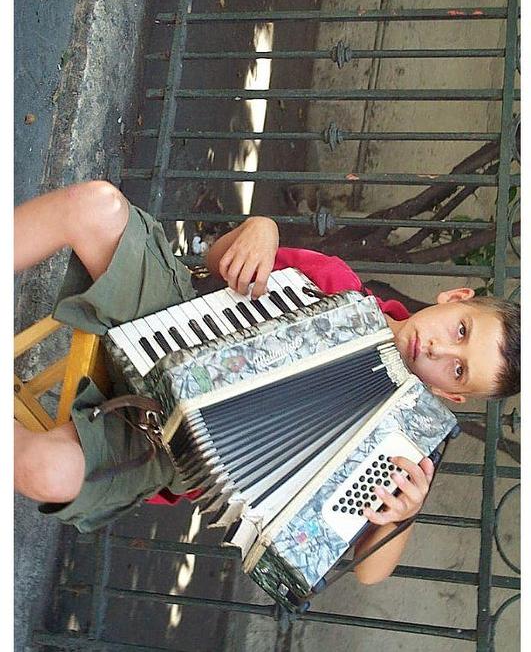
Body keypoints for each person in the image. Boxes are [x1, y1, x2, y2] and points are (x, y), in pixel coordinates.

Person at [14, 181, 520, 585]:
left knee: (44, 470)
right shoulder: (335, 284)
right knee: (96, 205)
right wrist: (260, 228)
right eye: (460, 331)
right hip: (170, 324)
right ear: (455, 298)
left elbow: (370, 573)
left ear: (453, 395)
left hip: (158, 442)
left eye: (458, 370)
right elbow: (218, 263)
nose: (439, 350)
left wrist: (401, 517)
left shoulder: (402, 450)